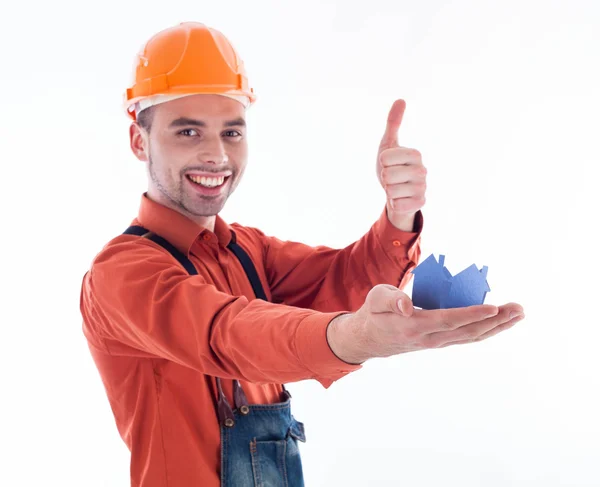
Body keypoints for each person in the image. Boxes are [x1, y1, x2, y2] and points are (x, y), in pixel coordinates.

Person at [79, 21, 525, 487]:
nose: (216, 155)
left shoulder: (246, 251)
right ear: (138, 140)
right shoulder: (120, 275)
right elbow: (229, 334)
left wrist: (399, 214)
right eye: (188, 132)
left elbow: (341, 277)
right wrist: (357, 338)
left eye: (232, 133)